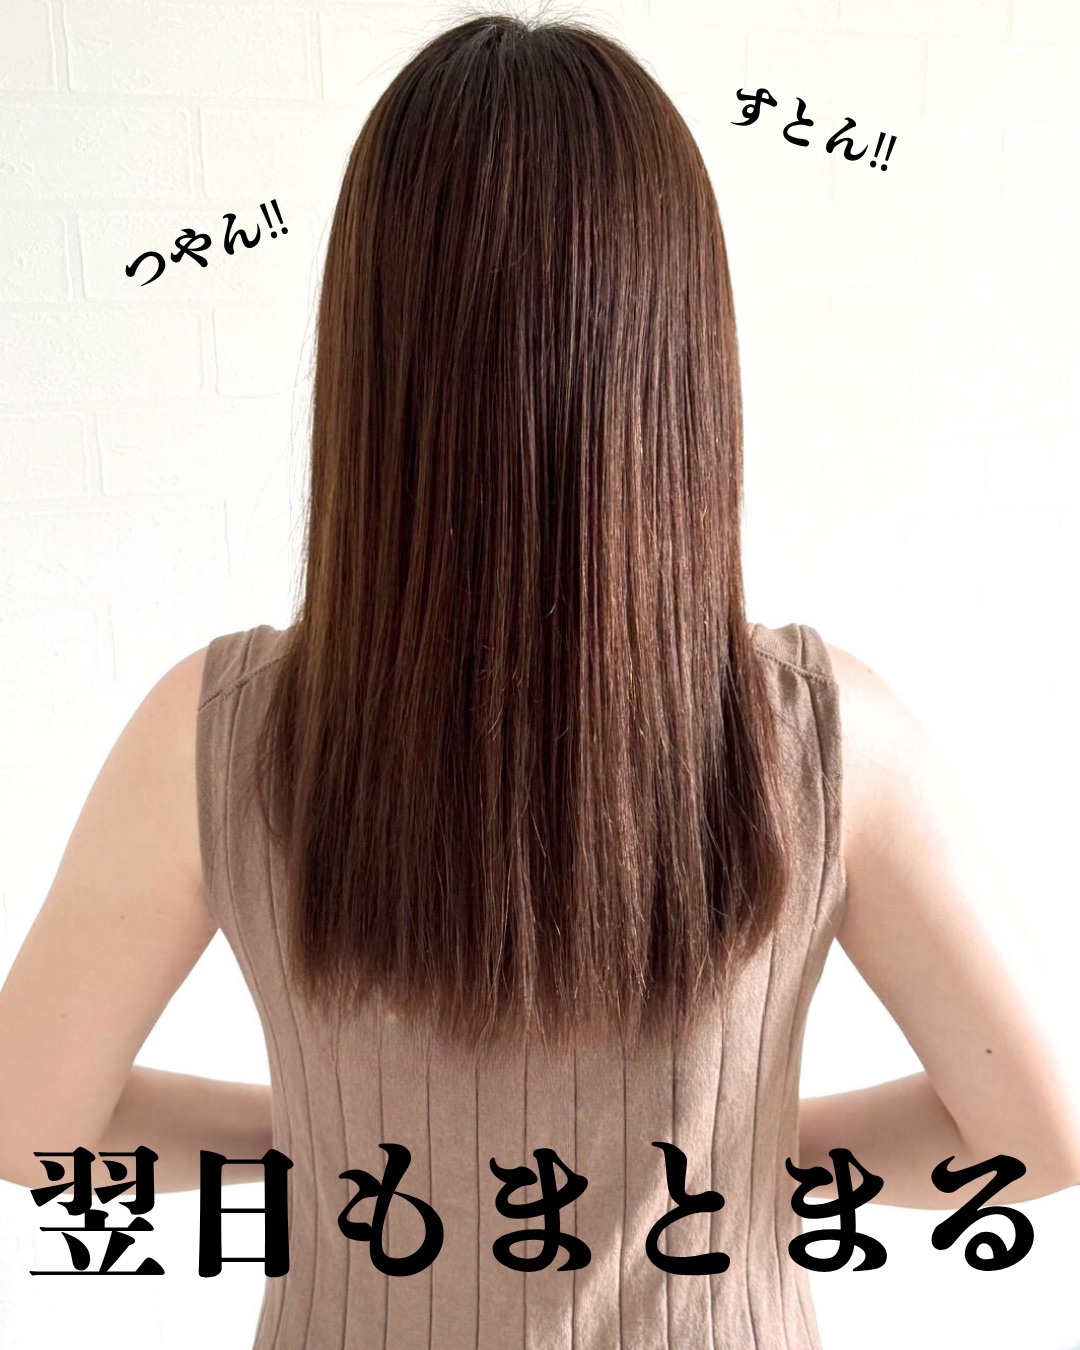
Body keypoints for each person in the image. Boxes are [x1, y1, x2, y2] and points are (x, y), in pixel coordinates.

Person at [1, 11, 1077, 1348]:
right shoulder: (829, 741)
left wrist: (340, 1149)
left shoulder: (212, 738)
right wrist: (725, 1152)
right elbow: (1038, 1134)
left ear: (370, 358)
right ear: (681, 360)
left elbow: (29, 1123)